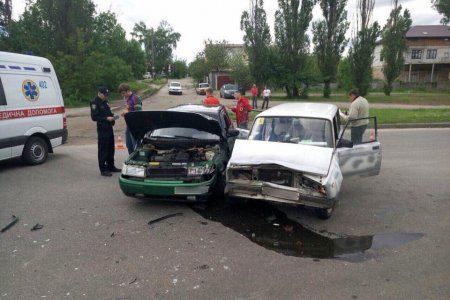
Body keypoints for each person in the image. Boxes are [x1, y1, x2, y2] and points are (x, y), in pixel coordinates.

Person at [90, 86, 121, 176]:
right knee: (103, 149)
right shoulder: (94, 103)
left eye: (107, 95)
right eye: (105, 95)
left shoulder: (105, 101)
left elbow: (108, 112)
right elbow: (94, 117)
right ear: (99, 93)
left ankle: (111, 166)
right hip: (102, 128)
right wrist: (106, 118)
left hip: (109, 127)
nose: (106, 96)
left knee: (111, 148)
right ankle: (103, 169)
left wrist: (112, 117)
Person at [118, 83, 142, 154]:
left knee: (135, 144)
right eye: (121, 94)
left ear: (128, 90)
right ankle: (130, 158)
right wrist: (125, 112)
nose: (123, 95)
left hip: (135, 125)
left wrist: (127, 113)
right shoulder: (126, 98)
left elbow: (138, 113)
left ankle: (136, 159)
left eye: (123, 93)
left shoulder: (136, 98)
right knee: (128, 145)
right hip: (128, 124)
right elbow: (128, 109)